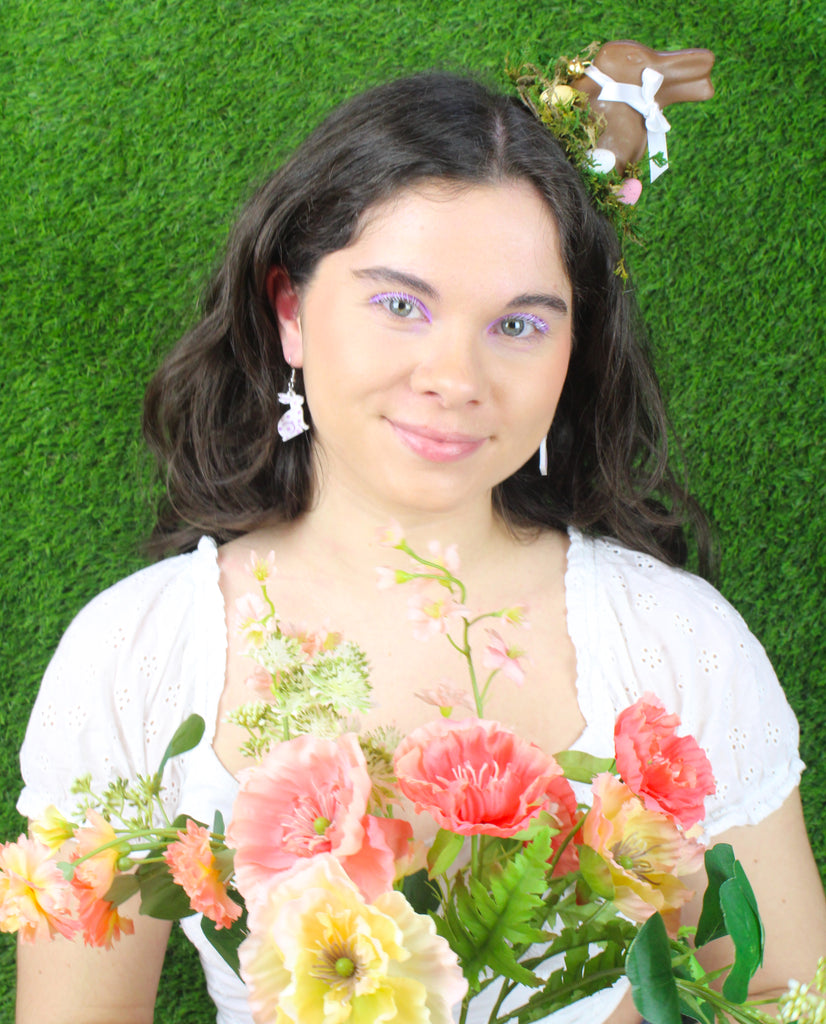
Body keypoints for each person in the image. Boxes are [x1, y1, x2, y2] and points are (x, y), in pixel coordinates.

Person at [15, 70, 826, 1024]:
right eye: (400, 305)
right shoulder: (135, 654)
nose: (455, 376)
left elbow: (785, 991)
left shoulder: (678, 642)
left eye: (518, 324)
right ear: (289, 311)